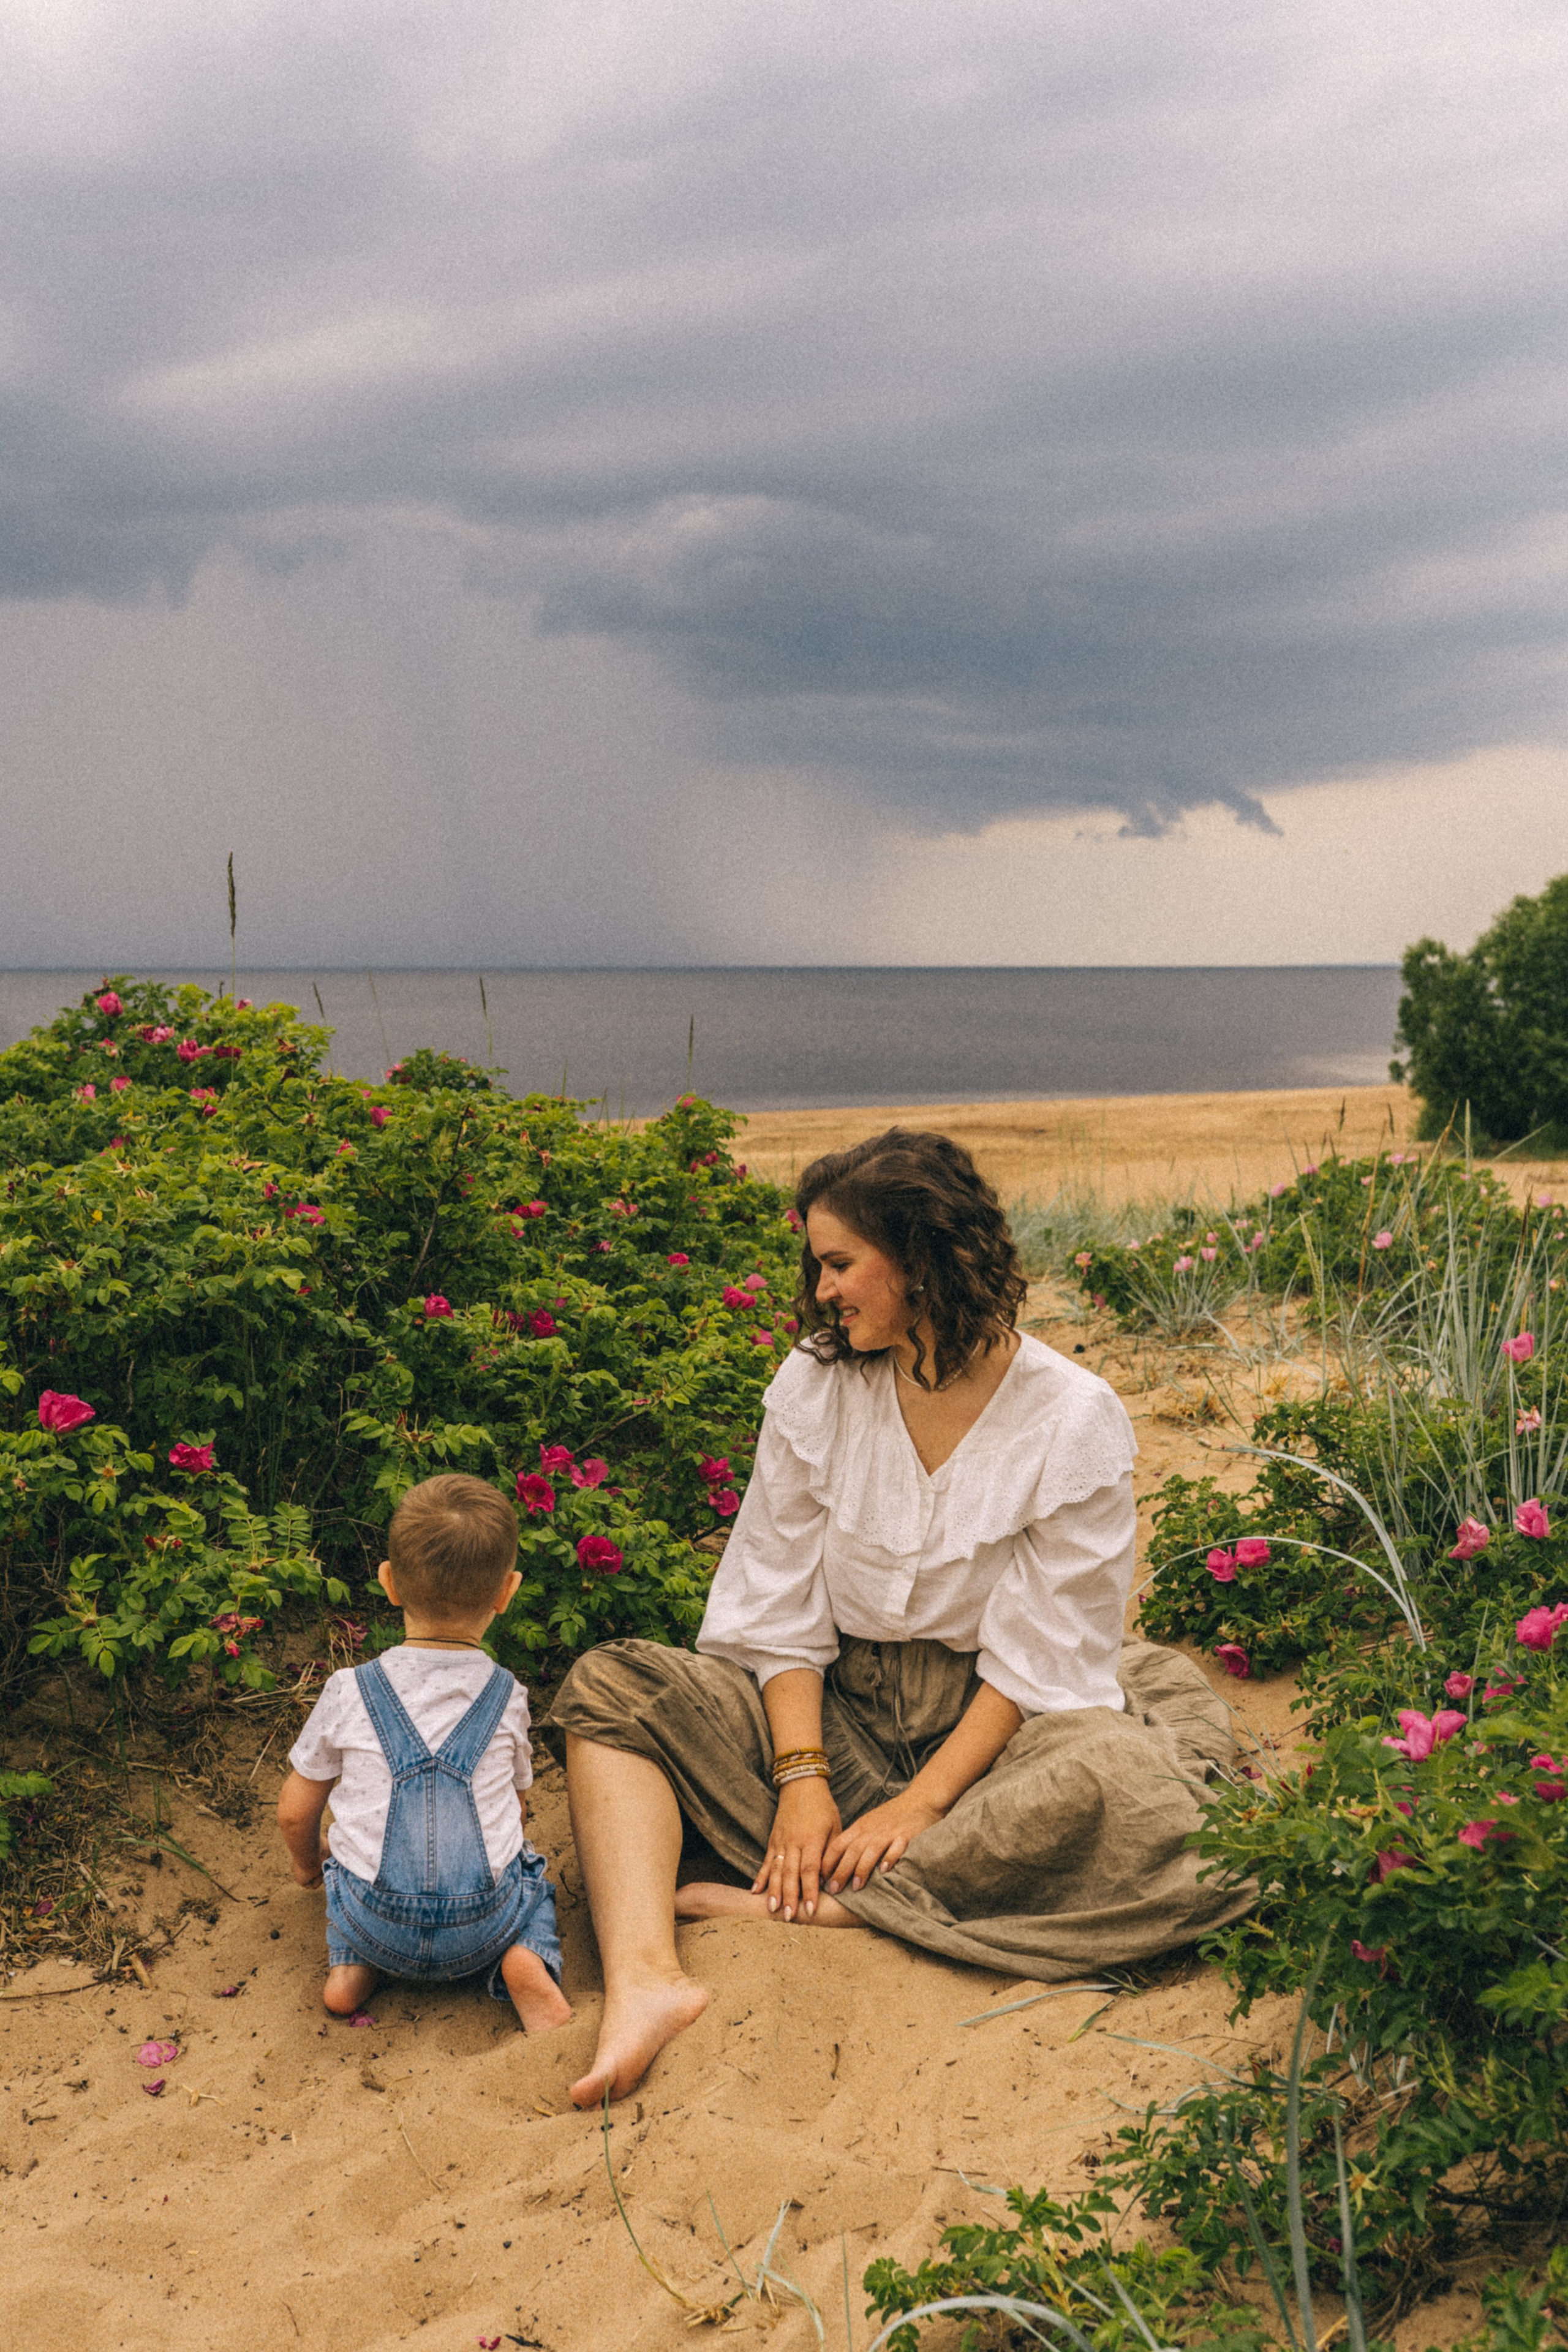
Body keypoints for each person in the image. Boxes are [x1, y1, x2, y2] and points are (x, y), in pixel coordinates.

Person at [546, 1129, 1254, 2107]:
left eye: (840, 1264)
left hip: (991, 1737)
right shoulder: (817, 1381)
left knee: (1129, 1783)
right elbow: (777, 1602)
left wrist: (921, 1808)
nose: (822, 1290)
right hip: (833, 1707)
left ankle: (855, 1907)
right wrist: (803, 1780)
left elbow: (1040, 1658)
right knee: (614, 1685)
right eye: (817, 1266)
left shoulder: (1072, 1416)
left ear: (921, 1257)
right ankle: (645, 1978)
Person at [277, 1472, 571, 2033]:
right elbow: (515, 1807)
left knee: (347, 1869)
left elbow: (295, 1812)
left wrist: (308, 1864)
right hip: (484, 1927)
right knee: (531, 1875)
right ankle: (524, 1958)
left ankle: (353, 1965)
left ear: (388, 1582)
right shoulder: (507, 1695)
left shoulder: (349, 1689)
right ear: (507, 1592)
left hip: (374, 1920)